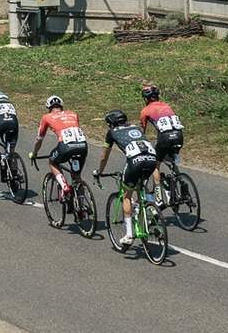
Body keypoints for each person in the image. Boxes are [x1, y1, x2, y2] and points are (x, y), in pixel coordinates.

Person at [97, 110, 161, 244]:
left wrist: (99, 171)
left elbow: (104, 156)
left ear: (111, 123)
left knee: (126, 195)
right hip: (151, 158)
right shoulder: (135, 127)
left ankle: (129, 235)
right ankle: (150, 207)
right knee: (141, 183)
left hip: (135, 161)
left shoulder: (112, 132)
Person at [30, 96, 88, 204]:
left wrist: (34, 153)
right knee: (76, 176)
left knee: (52, 161)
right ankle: (82, 205)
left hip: (66, 146)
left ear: (49, 107)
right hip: (82, 146)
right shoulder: (73, 114)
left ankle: (64, 186)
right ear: (61, 106)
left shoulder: (46, 117)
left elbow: (39, 139)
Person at [138, 84, 185, 172]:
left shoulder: (145, 110)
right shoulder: (166, 106)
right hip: (179, 135)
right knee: (171, 159)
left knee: (155, 164)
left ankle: (157, 181)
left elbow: (141, 131)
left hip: (165, 137)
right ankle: (178, 176)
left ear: (146, 99)